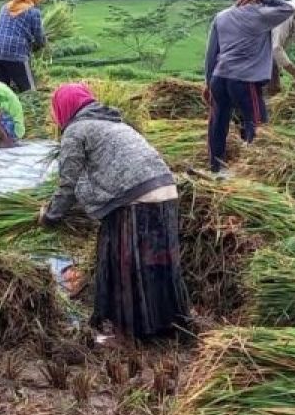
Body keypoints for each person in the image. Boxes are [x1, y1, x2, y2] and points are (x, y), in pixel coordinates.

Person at [39, 83, 190, 343]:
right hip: (165, 190)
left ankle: (126, 335)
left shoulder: (76, 130)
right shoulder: (116, 124)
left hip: (135, 199)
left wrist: (50, 215)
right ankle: (169, 326)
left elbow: (68, 183)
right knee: (156, 265)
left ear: (64, 108)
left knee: (124, 267)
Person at [205, 0, 295, 173]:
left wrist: (207, 83)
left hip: (219, 78)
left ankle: (216, 167)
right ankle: (255, 168)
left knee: (218, 121)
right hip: (244, 81)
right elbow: (289, 9)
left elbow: (211, 54)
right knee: (258, 122)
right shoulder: (262, 15)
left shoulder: (221, 17)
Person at [0, 0, 48, 93]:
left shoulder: (6, 7)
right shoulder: (33, 12)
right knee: (29, 91)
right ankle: (30, 109)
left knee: (0, 90)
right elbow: (39, 37)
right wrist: (42, 44)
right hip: (14, 52)